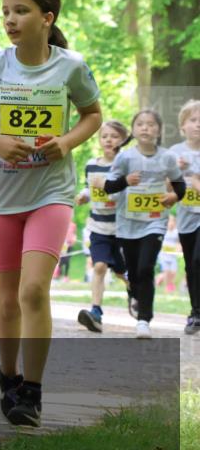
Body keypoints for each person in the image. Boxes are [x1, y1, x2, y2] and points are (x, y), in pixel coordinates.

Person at [0, 0, 102, 427]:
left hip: (50, 193)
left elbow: (93, 115)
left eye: (21, 11)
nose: (11, 20)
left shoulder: (71, 66)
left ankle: (31, 393)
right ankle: (8, 375)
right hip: (2, 194)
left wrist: (68, 141)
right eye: (6, 12)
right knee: (8, 298)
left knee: (34, 290)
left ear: (46, 18)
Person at [106, 109, 186, 338]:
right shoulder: (125, 157)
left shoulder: (167, 157)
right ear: (133, 129)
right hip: (128, 223)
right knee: (134, 271)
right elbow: (109, 187)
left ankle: (144, 320)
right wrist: (125, 180)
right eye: (140, 124)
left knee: (145, 267)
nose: (145, 128)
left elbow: (180, 187)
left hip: (155, 221)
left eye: (151, 124)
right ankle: (134, 294)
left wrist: (173, 197)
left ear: (159, 130)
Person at [73, 121, 131, 332]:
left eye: (114, 136)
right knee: (99, 266)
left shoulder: (126, 166)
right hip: (98, 226)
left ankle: (133, 291)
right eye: (105, 136)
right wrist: (84, 196)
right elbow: (90, 188)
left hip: (122, 229)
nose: (109, 140)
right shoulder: (91, 164)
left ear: (123, 140)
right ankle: (95, 311)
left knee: (121, 272)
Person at [170, 99, 200, 334]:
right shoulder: (174, 153)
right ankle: (195, 313)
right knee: (191, 265)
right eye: (193, 120)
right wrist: (176, 174)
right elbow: (165, 189)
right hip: (186, 218)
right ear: (182, 126)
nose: (198, 125)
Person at [156, 216, 180, 295]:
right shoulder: (163, 231)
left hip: (173, 255)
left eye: (173, 222)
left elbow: (179, 243)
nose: (171, 223)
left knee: (173, 272)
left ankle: (159, 278)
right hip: (163, 255)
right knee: (166, 272)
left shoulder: (176, 232)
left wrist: (178, 248)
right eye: (170, 222)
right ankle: (168, 287)